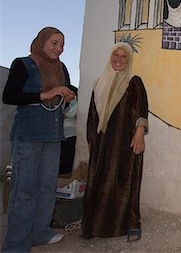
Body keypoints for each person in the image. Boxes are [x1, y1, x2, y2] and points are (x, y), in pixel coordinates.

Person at [2, 27, 75, 252]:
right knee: (25, 190)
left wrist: (69, 95)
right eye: (54, 43)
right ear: (41, 42)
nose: (58, 48)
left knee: (46, 187)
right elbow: (9, 96)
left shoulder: (61, 68)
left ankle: (40, 232)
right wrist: (45, 94)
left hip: (53, 136)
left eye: (62, 45)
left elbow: (68, 91)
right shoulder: (22, 64)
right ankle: (16, 244)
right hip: (28, 136)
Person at [82, 42, 149, 241]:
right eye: (115, 56)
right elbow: (92, 116)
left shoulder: (134, 81)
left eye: (123, 57)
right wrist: (92, 141)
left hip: (125, 142)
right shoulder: (99, 82)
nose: (118, 60)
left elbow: (141, 109)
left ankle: (130, 224)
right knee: (99, 181)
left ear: (128, 60)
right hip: (102, 142)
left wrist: (139, 134)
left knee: (126, 181)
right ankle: (94, 227)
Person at [59, 85, 78, 175]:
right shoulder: (60, 102)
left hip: (69, 134)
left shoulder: (75, 103)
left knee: (66, 157)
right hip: (59, 134)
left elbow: (68, 114)